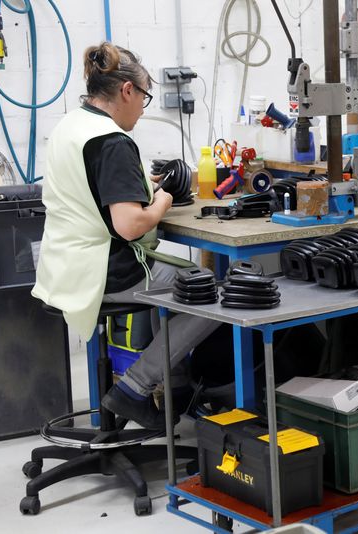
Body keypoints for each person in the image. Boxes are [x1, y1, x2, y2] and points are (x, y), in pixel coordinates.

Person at [32, 42, 219, 430]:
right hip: (103, 271)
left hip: (62, 267)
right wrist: (163, 200)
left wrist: (143, 185)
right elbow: (130, 225)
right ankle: (135, 387)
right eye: (144, 97)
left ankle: (174, 388)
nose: (143, 109)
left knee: (176, 284)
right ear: (127, 90)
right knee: (207, 290)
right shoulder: (112, 141)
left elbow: (91, 189)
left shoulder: (72, 125)